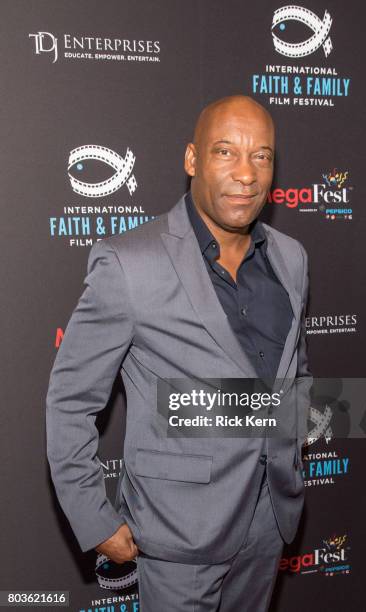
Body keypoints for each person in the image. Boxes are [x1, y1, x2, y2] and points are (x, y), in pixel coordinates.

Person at [46, 94, 312, 611]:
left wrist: (290, 452)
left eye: (261, 156)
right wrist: (93, 517)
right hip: (178, 534)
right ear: (192, 160)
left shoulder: (291, 258)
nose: (246, 173)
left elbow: (293, 373)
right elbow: (70, 400)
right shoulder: (129, 265)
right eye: (225, 152)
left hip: (268, 523)